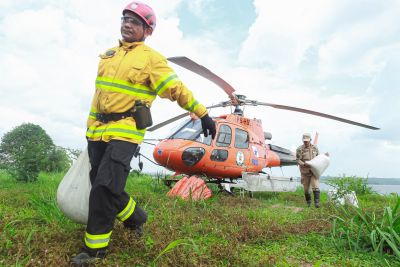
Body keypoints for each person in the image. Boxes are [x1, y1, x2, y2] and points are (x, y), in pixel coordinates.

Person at [71, 2, 216, 265]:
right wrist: (90, 126)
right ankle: (136, 217)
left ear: (147, 31)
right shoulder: (108, 55)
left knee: (104, 188)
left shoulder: (151, 59)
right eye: (125, 18)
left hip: (126, 132)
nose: (127, 24)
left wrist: (202, 113)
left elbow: (176, 89)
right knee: (105, 186)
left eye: (135, 22)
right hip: (98, 130)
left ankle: (94, 250)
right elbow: (99, 95)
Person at [296, 133, 320, 208]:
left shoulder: (315, 148)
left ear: (310, 140)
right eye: (304, 141)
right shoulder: (300, 149)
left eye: (307, 141)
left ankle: (317, 204)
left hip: (313, 171)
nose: (306, 142)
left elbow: (319, 158)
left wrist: (325, 157)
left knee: (315, 186)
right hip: (305, 172)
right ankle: (308, 204)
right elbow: (297, 160)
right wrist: (304, 164)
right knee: (306, 190)